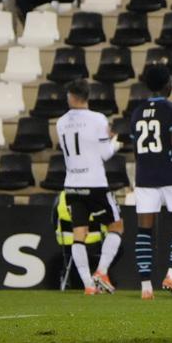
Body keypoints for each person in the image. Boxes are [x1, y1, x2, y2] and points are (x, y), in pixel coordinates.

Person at [128, 65, 172, 300]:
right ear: (166, 84)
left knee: (144, 231)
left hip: (144, 177)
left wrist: (141, 173)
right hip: (168, 175)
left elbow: (136, 149)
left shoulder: (137, 111)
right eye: (171, 80)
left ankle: (146, 288)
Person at [55, 78, 124, 295]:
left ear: (70, 97)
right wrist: (115, 142)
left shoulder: (60, 122)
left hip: (72, 185)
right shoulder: (97, 119)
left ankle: (88, 285)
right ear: (88, 96)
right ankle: (101, 271)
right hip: (94, 183)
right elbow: (104, 154)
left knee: (79, 234)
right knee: (116, 227)